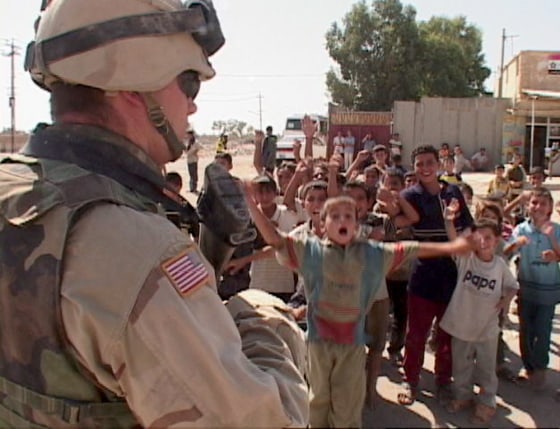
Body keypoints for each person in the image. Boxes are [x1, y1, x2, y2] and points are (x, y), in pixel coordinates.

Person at [0, 1, 309, 427]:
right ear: (132, 84)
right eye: (188, 83)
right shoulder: (135, 247)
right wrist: (256, 318)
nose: (193, 105)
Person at [244, 189, 472, 429]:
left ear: (356, 225)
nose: (342, 220)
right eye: (335, 216)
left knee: (347, 405)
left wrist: (451, 248)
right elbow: (276, 239)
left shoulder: (370, 254)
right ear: (322, 224)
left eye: (348, 216)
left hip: (351, 344)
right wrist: (250, 202)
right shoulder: (311, 251)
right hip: (318, 343)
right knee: (318, 400)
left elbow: (410, 248)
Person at [395, 145, 474, 406]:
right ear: (414, 167)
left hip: (451, 273)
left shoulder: (453, 192)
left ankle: (443, 380)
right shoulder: (409, 195)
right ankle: (411, 379)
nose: (425, 167)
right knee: (416, 332)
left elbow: (469, 228)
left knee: (446, 333)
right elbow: (396, 224)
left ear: (439, 164)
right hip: (423, 271)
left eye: (430, 162)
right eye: (419, 163)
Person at [442, 207, 519, 424]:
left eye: (488, 238)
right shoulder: (465, 259)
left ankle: (486, 402)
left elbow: (513, 286)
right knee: (461, 366)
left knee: (486, 369)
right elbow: (453, 240)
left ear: (496, 242)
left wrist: (506, 300)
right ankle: (463, 396)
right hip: (461, 324)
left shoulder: (500, 266)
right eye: (479, 238)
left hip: (486, 328)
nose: (483, 242)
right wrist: (449, 221)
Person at [504, 187, 560, 390]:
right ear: (528, 206)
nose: (537, 207)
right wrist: (515, 245)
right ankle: (529, 367)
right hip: (526, 290)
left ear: (550, 208)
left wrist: (555, 253)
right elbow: (506, 253)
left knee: (543, 331)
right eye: (534, 203)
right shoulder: (521, 229)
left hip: (548, 292)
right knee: (526, 331)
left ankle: (541, 368)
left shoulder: (556, 229)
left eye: (542, 204)